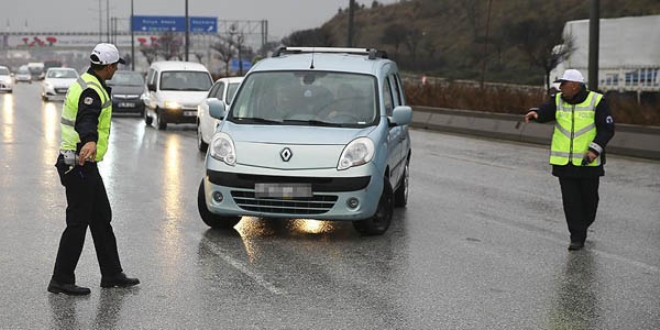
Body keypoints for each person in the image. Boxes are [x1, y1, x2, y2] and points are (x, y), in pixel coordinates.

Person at [49, 43, 139, 295]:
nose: (115, 70)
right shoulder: (92, 90)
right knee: (77, 223)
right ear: (109, 66)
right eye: (115, 66)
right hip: (78, 164)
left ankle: (111, 274)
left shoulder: (87, 82)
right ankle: (61, 279)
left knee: (101, 218)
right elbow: (87, 117)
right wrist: (89, 139)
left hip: (85, 164)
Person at [524, 69, 615, 251]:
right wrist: (536, 113)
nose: (561, 87)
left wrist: (594, 150)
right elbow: (546, 110)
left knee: (590, 202)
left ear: (575, 85)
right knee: (571, 202)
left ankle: (583, 224)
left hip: (588, 162)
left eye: (563, 84)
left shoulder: (596, 101)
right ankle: (576, 237)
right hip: (564, 164)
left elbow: (607, 129)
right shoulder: (558, 100)